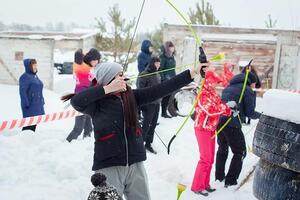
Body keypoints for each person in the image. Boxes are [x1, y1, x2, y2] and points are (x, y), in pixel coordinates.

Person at [62, 61, 207, 200]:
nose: (124, 77)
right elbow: (76, 101)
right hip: (109, 166)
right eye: (119, 75)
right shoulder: (96, 103)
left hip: (135, 164)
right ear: (109, 79)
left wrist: (192, 73)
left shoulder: (131, 96)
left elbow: (162, 88)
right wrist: (107, 89)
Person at [191, 66, 236, 196]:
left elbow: (219, 105)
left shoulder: (212, 93)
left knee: (210, 159)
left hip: (210, 128)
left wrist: (230, 111)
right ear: (209, 82)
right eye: (215, 82)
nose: (216, 85)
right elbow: (210, 110)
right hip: (202, 128)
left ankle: (205, 184)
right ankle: (197, 186)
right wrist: (224, 109)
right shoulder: (203, 94)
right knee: (205, 158)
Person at [215, 71, 261, 187]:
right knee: (240, 152)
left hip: (220, 122)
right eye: (255, 84)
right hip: (232, 124)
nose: (255, 87)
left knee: (222, 149)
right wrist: (262, 116)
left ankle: (219, 177)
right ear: (251, 82)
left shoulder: (228, 87)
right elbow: (249, 113)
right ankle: (230, 181)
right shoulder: (247, 90)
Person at [66, 48, 101, 142]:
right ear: (91, 59)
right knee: (78, 128)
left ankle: (86, 141)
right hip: (80, 98)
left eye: (97, 60)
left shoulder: (90, 68)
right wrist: (81, 52)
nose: (96, 62)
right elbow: (77, 55)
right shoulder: (81, 65)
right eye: (95, 60)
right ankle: (67, 142)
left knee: (88, 126)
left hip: (88, 98)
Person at [137, 56, 161, 154]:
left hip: (157, 103)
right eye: (157, 63)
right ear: (152, 63)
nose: (159, 65)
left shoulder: (157, 74)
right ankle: (140, 145)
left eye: (159, 63)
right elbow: (140, 90)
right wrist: (142, 105)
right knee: (146, 125)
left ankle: (148, 143)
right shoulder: (144, 74)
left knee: (153, 124)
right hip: (148, 105)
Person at [19, 58, 45, 132]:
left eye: (36, 65)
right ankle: (22, 141)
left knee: (33, 126)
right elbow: (22, 92)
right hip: (30, 106)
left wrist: (42, 101)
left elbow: (39, 89)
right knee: (28, 127)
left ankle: (29, 141)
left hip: (37, 104)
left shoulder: (35, 76)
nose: (35, 67)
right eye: (33, 65)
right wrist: (26, 103)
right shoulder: (25, 77)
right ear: (28, 66)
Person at [160, 41, 176, 118]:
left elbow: (173, 69)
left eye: (173, 46)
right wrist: (163, 79)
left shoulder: (172, 57)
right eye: (170, 47)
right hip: (165, 80)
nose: (173, 48)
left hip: (172, 79)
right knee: (164, 97)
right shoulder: (163, 57)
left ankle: (165, 111)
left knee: (168, 96)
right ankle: (163, 112)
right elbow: (160, 69)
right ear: (167, 48)